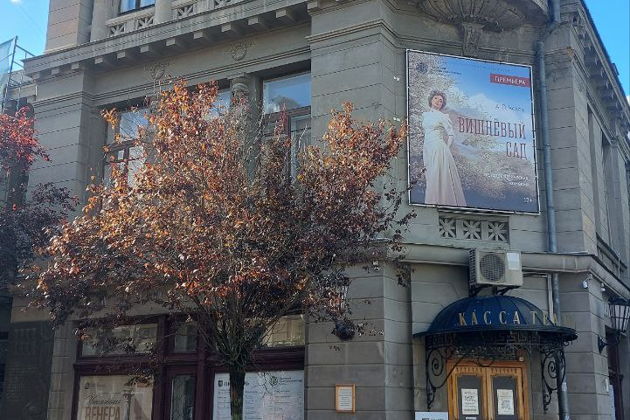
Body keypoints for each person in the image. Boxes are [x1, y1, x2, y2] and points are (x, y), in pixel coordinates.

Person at [421, 91, 466, 206]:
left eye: (440, 100)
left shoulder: (443, 116)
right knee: (430, 176)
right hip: (427, 148)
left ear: (442, 104)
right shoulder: (425, 115)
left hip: (438, 147)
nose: (438, 101)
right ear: (431, 100)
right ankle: (431, 202)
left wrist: (446, 147)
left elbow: (451, 135)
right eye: (436, 98)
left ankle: (438, 202)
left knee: (437, 175)